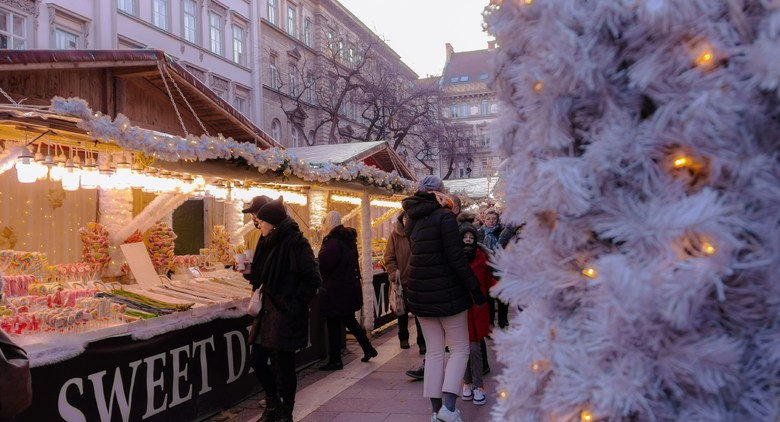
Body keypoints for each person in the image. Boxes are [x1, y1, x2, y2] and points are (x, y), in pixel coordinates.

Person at [402, 175, 486, 422]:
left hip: (420, 294)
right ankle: (449, 409)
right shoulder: (445, 217)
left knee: (435, 353)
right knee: (460, 348)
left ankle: (435, 412)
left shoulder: (411, 218)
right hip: (448, 294)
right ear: (439, 193)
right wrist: (476, 291)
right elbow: (456, 259)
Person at [247, 198, 321, 422]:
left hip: (285, 314)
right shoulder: (267, 242)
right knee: (257, 360)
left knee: (284, 366)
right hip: (268, 313)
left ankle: (285, 412)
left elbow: (313, 278)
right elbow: (261, 276)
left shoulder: (295, 244)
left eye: (263, 221)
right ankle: (273, 403)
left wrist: (293, 304)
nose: (259, 224)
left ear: (273, 223)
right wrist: (246, 272)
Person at [317, 210, 378, 370]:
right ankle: (368, 348)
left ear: (328, 224)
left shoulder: (332, 242)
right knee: (350, 321)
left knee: (333, 325)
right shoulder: (347, 239)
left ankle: (335, 360)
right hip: (348, 288)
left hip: (335, 290)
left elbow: (324, 265)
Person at [457, 224, 493, 407]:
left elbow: (488, 280)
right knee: (463, 351)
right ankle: (467, 383)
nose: (469, 239)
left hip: (477, 309)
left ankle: (478, 385)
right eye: (465, 236)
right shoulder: (455, 259)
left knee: (474, 350)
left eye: (471, 236)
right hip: (461, 309)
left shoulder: (482, 257)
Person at [384, 211, 426, 354]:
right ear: (402, 219)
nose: (407, 220)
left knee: (420, 314)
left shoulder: (419, 234)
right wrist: (393, 273)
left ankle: (422, 341)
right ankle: (403, 337)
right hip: (401, 281)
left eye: (410, 217)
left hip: (418, 280)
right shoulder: (394, 236)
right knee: (402, 312)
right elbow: (389, 257)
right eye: (405, 217)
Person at [477, 208, 509, 329]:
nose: (491, 221)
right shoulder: (479, 232)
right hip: (486, 268)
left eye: (494, 219)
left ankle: (502, 320)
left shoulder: (502, 232)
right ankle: (490, 322)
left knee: (502, 296)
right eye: (488, 219)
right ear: (484, 220)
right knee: (489, 297)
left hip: (500, 267)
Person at [242, 195, 271, 290]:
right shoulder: (252, 235)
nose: (254, 217)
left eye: (256, 213)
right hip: (259, 289)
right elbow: (250, 260)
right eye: (252, 214)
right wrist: (246, 269)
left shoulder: (277, 239)